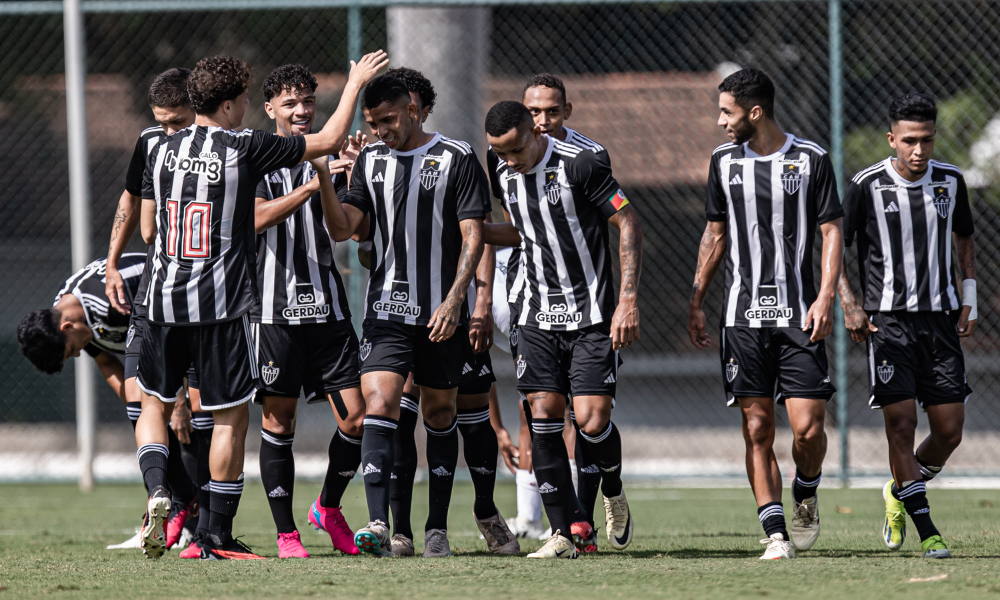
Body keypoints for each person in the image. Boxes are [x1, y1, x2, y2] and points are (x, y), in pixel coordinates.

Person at [135, 51, 387, 560]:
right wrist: (356, 82)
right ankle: (222, 535)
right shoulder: (245, 148)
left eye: (306, 101)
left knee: (154, 404)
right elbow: (325, 144)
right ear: (235, 105)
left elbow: (147, 226)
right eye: (251, 100)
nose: (297, 109)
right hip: (231, 305)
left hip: (165, 299)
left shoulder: (157, 148)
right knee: (234, 419)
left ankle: (161, 491)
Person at [320, 74, 512, 558]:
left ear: (411, 107)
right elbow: (346, 228)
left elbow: (474, 234)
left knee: (441, 413)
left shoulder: (457, 157)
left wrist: (457, 300)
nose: (381, 130)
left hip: (441, 314)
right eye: (373, 123)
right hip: (386, 310)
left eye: (387, 120)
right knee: (380, 404)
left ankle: (436, 528)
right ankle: (381, 523)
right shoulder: (370, 160)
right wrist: (323, 173)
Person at [686, 68, 843, 560]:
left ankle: (807, 490)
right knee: (757, 428)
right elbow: (715, 234)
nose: (719, 122)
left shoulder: (811, 158)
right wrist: (696, 300)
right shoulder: (723, 161)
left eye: (726, 112)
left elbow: (832, 232)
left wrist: (825, 297)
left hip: (799, 316)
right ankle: (775, 532)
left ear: (755, 112)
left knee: (809, 429)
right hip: (742, 317)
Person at [483, 100, 643, 559]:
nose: (509, 161)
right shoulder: (501, 169)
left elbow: (627, 219)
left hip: (591, 314)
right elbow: (521, 231)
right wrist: (469, 229)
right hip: (533, 314)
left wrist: (627, 299)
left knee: (592, 422)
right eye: (500, 153)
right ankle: (563, 533)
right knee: (544, 418)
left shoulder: (583, 164)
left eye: (515, 150)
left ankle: (611, 486)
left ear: (535, 130)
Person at [838, 93, 974, 559]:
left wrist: (968, 299)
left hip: (940, 323)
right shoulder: (866, 184)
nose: (919, 150)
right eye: (910, 141)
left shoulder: (952, 182)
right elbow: (835, 247)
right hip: (887, 324)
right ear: (892, 139)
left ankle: (898, 490)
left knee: (950, 431)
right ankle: (927, 528)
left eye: (927, 140)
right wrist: (849, 303)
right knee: (901, 426)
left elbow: (965, 239)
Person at [250, 63, 371, 558]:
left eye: (307, 101)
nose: (301, 111)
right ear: (270, 109)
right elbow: (253, 219)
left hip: (327, 312)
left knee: (357, 421)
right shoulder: (255, 157)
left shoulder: (337, 157)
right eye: (290, 103)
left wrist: (331, 173)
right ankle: (285, 534)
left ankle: (327, 507)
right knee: (280, 424)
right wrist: (308, 179)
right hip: (275, 314)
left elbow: (344, 231)